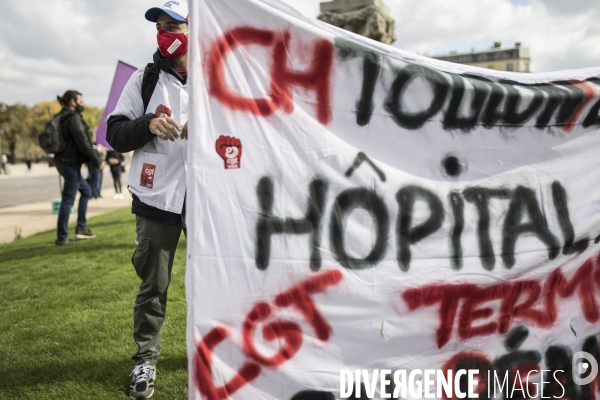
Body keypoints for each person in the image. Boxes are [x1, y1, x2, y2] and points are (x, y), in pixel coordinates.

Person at [106, 2, 189, 398]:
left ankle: (215, 351)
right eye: (160, 26)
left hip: (210, 197)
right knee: (154, 285)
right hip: (157, 197)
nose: (165, 33)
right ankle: (145, 361)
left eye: (173, 25)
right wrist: (148, 124)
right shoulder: (146, 77)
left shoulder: (220, 74)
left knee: (217, 279)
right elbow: (115, 133)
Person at [54, 90, 104, 246]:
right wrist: (97, 161)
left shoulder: (61, 116)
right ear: (72, 102)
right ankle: (62, 237)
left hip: (64, 162)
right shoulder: (73, 118)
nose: (82, 104)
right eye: (80, 101)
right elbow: (83, 143)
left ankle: (81, 227)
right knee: (68, 200)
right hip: (69, 164)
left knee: (87, 191)